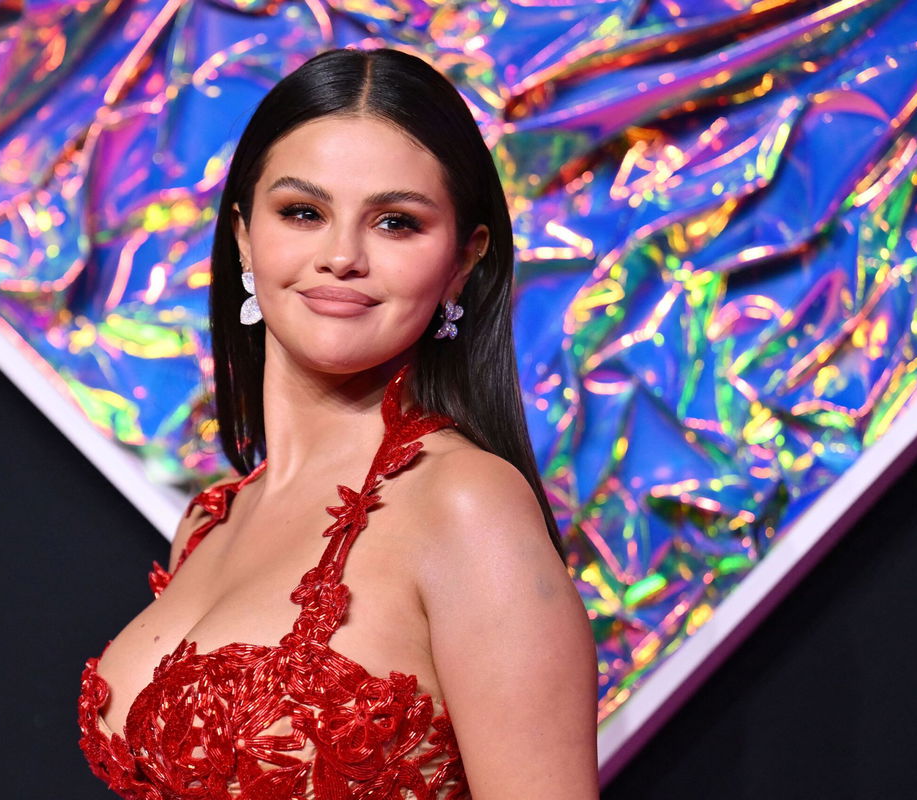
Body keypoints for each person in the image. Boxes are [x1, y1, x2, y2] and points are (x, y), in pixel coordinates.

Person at [77, 46, 598, 798]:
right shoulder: (207, 523)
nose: (342, 256)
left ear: (462, 261)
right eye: (302, 213)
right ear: (245, 236)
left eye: (395, 222)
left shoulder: (467, 506)